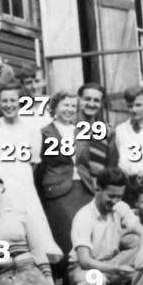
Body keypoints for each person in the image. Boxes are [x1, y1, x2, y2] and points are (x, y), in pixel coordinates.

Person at [0, 81, 62, 262]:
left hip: (23, 181)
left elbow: (34, 162)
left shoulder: (31, 128)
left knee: (31, 226)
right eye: (4, 101)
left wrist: (19, 174)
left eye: (13, 100)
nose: (8, 105)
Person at [66, 167, 143, 285]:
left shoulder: (120, 207)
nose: (115, 201)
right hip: (83, 269)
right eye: (111, 196)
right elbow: (84, 261)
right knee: (97, 281)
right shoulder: (84, 217)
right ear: (98, 190)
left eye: (119, 197)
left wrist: (140, 255)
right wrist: (115, 269)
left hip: (109, 263)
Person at [36, 91, 95, 256]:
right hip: (58, 190)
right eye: (65, 105)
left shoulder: (81, 131)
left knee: (86, 233)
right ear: (55, 107)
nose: (69, 109)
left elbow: (85, 163)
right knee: (66, 235)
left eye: (73, 106)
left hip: (84, 189)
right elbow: (40, 166)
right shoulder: (45, 132)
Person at [76, 82, 118, 178]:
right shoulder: (67, 126)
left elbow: (110, 168)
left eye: (96, 100)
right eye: (87, 99)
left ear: (101, 104)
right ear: (79, 100)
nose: (91, 104)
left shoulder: (107, 132)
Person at [16, 63, 51, 130]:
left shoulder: (54, 106)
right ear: (22, 86)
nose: (34, 87)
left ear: (44, 82)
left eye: (37, 81)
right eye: (29, 83)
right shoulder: (19, 114)